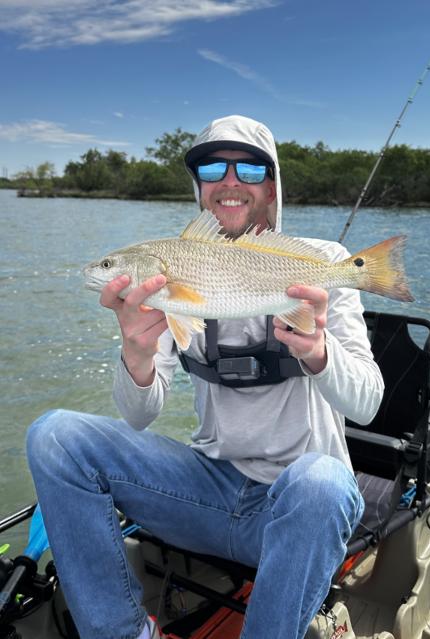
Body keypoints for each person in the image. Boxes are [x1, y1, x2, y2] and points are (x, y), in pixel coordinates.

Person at [27, 115, 384, 639]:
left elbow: (369, 404)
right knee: (54, 436)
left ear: (273, 185)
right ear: (199, 186)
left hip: (297, 509)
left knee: (324, 482)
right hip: (207, 494)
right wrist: (136, 352)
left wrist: (318, 352)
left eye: (250, 169)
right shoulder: (168, 272)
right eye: (213, 168)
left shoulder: (323, 261)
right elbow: (140, 416)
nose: (230, 181)